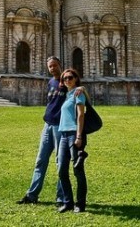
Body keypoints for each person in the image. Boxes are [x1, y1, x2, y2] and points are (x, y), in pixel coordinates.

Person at [16, 56, 67, 205]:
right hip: (48, 124)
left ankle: (61, 197)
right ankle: (32, 195)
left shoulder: (67, 80)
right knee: (40, 161)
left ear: (60, 65)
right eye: (50, 66)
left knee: (60, 162)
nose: (52, 69)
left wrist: (81, 89)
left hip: (60, 126)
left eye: (54, 66)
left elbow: (77, 92)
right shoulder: (51, 82)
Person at [57, 68, 88, 213]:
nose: (67, 80)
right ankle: (68, 202)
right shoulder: (67, 94)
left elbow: (81, 115)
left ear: (76, 78)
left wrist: (79, 136)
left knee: (78, 170)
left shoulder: (78, 93)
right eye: (64, 79)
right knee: (62, 169)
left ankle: (80, 204)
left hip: (74, 134)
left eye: (70, 77)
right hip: (63, 135)